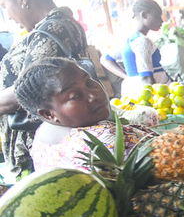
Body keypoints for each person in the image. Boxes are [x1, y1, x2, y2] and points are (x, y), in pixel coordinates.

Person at [0, 0, 94, 173]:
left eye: (4, 6)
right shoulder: (62, 24)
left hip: (43, 148)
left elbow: (31, 89)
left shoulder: (51, 30)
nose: (9, 16)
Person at [20, 59, 156, 173]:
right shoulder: (107, 139)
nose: (93, 95)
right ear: (49, 114)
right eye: (75, 96)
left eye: (89, 83)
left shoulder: (41, 136)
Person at [100, 0, 169, 99]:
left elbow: (105, 59)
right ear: (144, 15)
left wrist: (129, 77)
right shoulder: (142, 42)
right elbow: (147, 79)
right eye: (157, 16)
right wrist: (158, 100)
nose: (161, 21)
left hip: (134, 93)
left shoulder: (130, 39)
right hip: (147, 97)